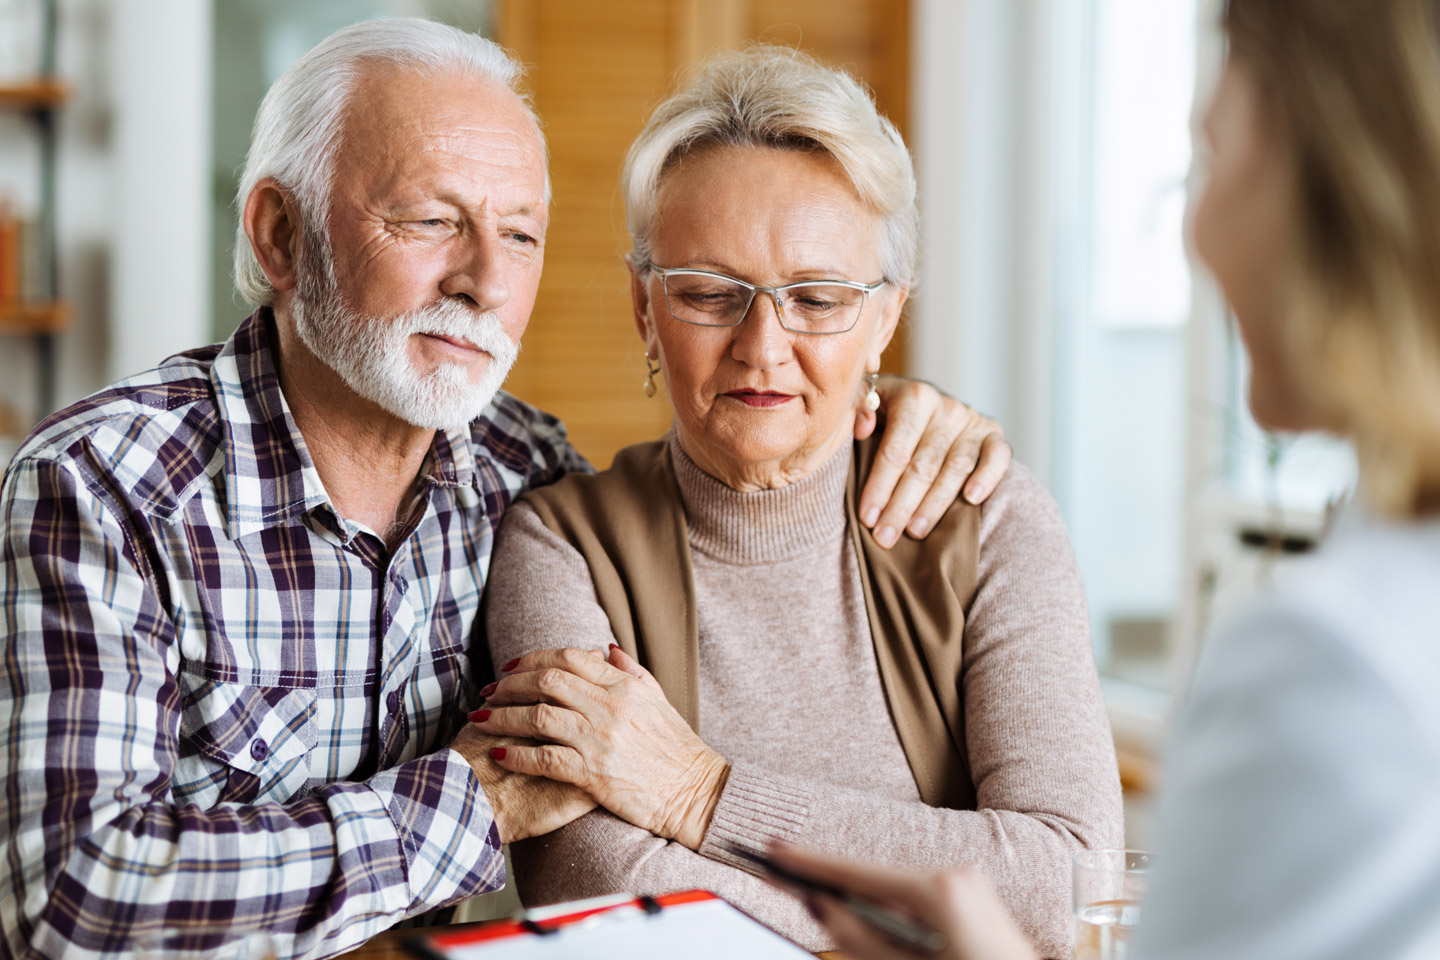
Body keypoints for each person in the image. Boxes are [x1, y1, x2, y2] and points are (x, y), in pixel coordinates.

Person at [0, 20, 1013, 960]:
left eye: (521, 235)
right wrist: (468, 808)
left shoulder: (528, 478)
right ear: (278, 234)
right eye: (431, 220)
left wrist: (875, 406)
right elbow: (72, 903)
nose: (485, 280)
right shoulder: (103, 486)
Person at [767, 1, 1440, 958]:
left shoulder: (1343, 660)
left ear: (1344, 180)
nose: (1197, 230)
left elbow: (1066, 867)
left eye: (1211, 158)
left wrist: (700, 793)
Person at [470, 47, 1123, 958]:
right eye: (709, 294)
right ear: (642, 308)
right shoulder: (563, 544)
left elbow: (1067, 882)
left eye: (816, 299)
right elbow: (600, 885)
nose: (763, 346)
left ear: (885, 318)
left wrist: (700, 794)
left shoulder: (991, 517)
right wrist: (949, 918)